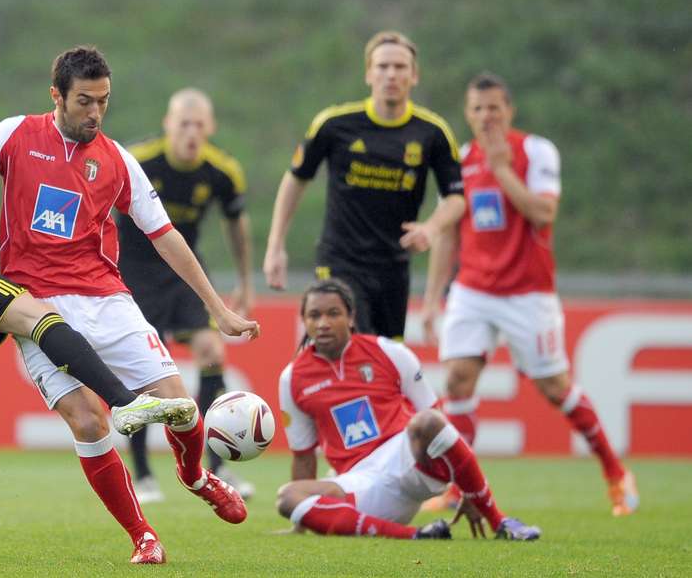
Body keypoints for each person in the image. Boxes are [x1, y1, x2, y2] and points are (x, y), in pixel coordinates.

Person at [0, 47, 260, 564]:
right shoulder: (12, 136)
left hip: (108, 299)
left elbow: (166, 237)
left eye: (103, 101)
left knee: (182, 408)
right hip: (38, 307)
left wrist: (219, 310)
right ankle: (142, 534)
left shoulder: (118, 160)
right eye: (84, 101)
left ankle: (194, 475)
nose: (95, 113)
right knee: (88, 421)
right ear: (57, 96)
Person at [420, 72, 639, 516]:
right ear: (467, 113)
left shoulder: (535, 151)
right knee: (458, 378)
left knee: (555, 387)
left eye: (494, 108)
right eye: (477, 109)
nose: (486, 117)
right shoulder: (460, 159)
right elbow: (447, 235)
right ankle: (461, 489)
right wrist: (430, 298)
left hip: (527, 292)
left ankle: (616, 472)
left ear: (509, 110)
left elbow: (542, 213)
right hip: (473, 289)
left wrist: (501, 169)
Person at [276, 279, 541, 541]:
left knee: (427, 421)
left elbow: (437, 421)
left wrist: (469, 490)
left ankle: (500, 521)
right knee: (287, 497)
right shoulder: (293, 378)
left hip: (411, 462)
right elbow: (303, 455)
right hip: (361, 482)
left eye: (333, 313)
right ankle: (417, 535)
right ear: (304, 321)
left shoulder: (388, 352)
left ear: (351, 317)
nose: (323, 323)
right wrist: (302, 519)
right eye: (314, 315)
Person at [263, 30, 465, 339]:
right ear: (369, 74)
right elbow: (296, 178)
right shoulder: (334, 125)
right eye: (382, 67)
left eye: (400, 67)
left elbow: (456, 198)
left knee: (384, 357)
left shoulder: (432, 132)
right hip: (340, 261)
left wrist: (431, 228)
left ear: (415, 76)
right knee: (344, 341)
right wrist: (275, 245)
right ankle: (305, 375)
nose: (391, 75)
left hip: (393, 268)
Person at [116, 88, 255, 503]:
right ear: (168, 124)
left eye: (199, 125)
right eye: (184, 124)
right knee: (143, 374)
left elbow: (237, 226)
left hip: (184, 271)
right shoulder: (138, 160)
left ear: (210, 128)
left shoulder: (223, 171)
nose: (191, 132)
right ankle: (143, 475)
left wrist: (246, 284)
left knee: (212, 351)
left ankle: (217, 464)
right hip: (135, 274)